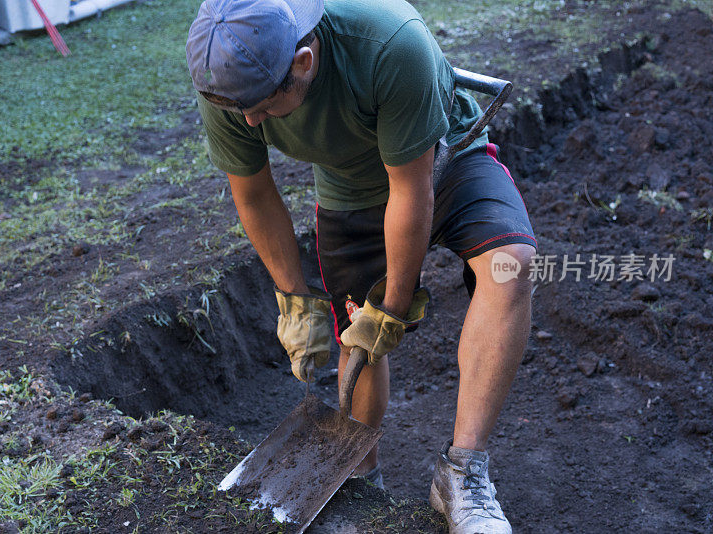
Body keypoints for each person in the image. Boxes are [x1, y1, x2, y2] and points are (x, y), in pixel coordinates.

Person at [186, 0, 537, 532]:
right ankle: (356, 472)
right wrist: (295, 300)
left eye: (261, 105)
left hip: (446, 159)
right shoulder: (233, 85)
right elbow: (254, 195)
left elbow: (410, 190)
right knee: (356, 332)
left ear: (304, 62)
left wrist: (392, 308)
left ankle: (462, 471)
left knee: (510, 265)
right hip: (352, 192)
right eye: (240, 109)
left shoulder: (393, 45)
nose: (251, 120)